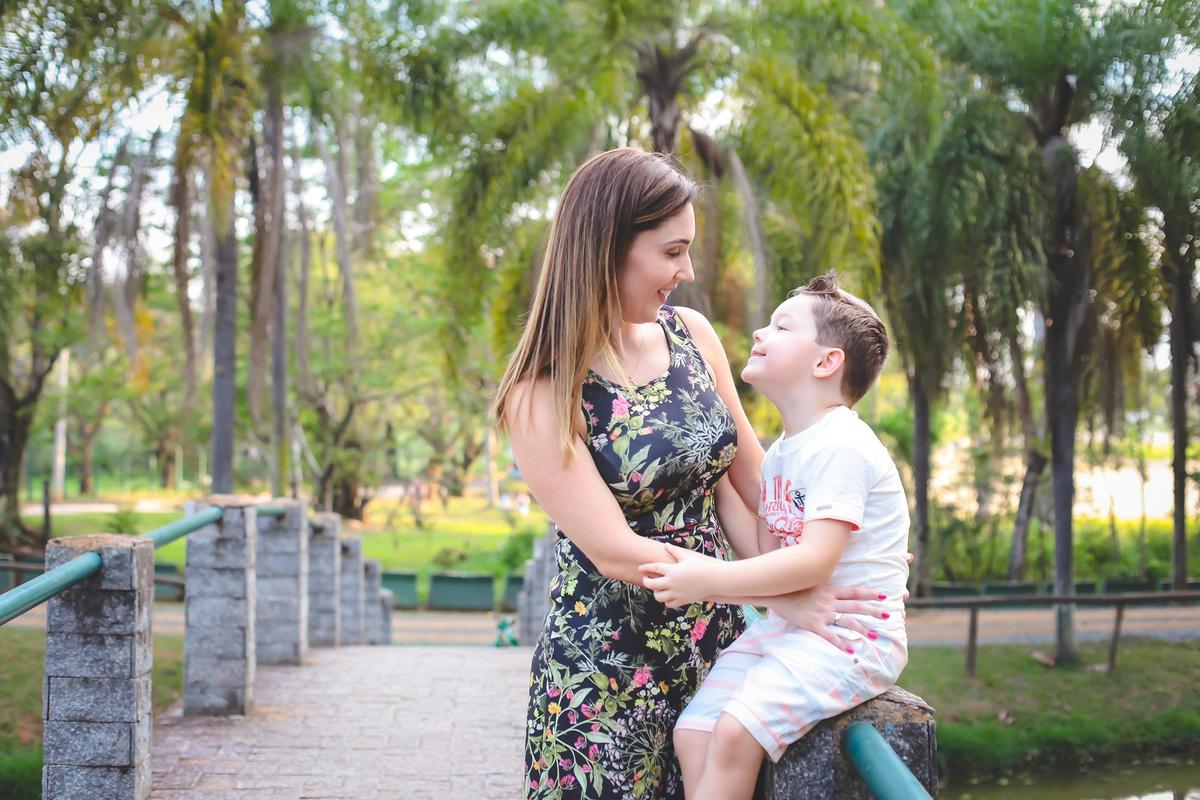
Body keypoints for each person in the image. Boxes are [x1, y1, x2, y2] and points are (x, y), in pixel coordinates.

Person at [493, 149, 891, 800]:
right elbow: (616, 552)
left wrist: (851, 552)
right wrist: (779, 595)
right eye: (672, 252)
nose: (687, 271)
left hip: (719, 652)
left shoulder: (692, 335)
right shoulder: (543, 391)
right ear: (608, 247)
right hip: (607, 679)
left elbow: (756, 482)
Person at [639, 272, 910, 800]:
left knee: (737, 731)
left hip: (849, 637)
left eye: (782, 326)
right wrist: (712, 481)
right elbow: (768, 548)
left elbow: (812, 562)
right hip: (789, 625)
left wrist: (709, 580)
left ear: (826, 362)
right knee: (693, 733)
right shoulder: (787, 449)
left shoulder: (842, 446)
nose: (761, 333)